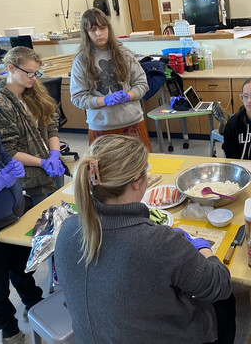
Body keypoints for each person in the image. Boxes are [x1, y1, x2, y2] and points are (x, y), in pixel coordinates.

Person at [54, 134, 234, 343]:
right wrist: (204, 250)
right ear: (137, 183)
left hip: (94, 337)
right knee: (225, 302)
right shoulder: (159, 243)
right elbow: (220, 285)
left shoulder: (68, 228)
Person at [0, 90, 43, 344]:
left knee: (22, 266)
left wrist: (10, 167)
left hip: (12, 215)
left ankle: (34, 305)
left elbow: (2, 153)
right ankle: (9, 330)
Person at [0, 46, 65, 205]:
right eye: (29, 72)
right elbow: (6, 151)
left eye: (36, 73)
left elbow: (51, 126)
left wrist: (54, 154)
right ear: (11, 68)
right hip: (31, 178)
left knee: (61, 208)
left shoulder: (33, 92)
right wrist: (42, 163)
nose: (33, 77)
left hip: (52, 166)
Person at [70, 8, 153, 151]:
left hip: (132, 123)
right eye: (93, 30)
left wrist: (128, 96)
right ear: (86, 33)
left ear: (109, 28)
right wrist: (104, 101)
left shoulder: (125, 54)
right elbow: (77, 97)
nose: (99, 34)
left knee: (142, 169)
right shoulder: (81, 61)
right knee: (106, 171)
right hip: (102, 128)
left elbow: (142, 84)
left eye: (102, 28)